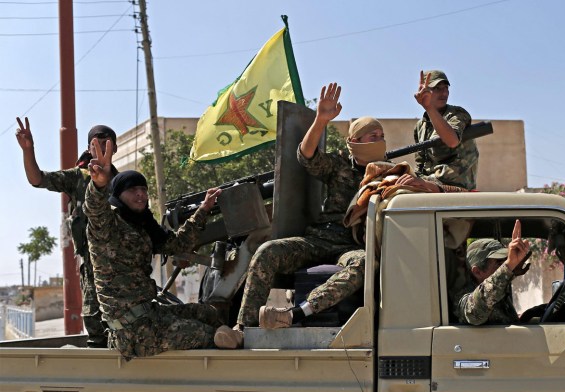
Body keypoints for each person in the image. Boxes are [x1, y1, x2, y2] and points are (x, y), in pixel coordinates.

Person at [235, 83, 388, 335]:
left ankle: (298, 312)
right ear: (355, 141)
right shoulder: (339, 165)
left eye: (382, 136)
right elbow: (306, 156)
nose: (379, 140)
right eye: (374, 135)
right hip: (319, 240)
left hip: (352, 246)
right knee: (267, 251)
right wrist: (321, 119)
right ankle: (243, 327)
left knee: (364, 264)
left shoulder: (388, 173)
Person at [83, 141, 240, 359]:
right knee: (207, 334)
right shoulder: (107, 226)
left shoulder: (144, 225)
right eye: (132, 190)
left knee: (207, 313)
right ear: (117, 195)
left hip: (151, 314)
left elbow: (177, 245)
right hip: (132, 333)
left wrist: (204, 210)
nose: (140, 195)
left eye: (143, 190)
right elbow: (94, 209)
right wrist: (99, 184)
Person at [15, 117, 118, 348]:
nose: (102, 146)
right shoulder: (78, 177)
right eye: (96, 141)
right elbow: (38, 179)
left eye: (107, 141)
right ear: (89, 147)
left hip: (120, 261)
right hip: (92, 261)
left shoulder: (123, 182)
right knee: (94, 318)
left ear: (115, 147)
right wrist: (28, 151)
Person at [453, 220, 532, 325]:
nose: (504, 265)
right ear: (477, 272)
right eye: (499, 263)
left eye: (505, 260)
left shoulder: (499, 291)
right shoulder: (463, 298)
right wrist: (508, 266)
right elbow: (474, 313)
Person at [413, 70, 479, 190]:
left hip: (457, 187)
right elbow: (421, 163)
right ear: (425, 91)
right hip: (432, 184)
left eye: (446, 88)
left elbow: (452, 140)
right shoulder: (420, 126)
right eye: (438, 88)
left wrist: (429, 108)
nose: (444, 93)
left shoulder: (457, 114)